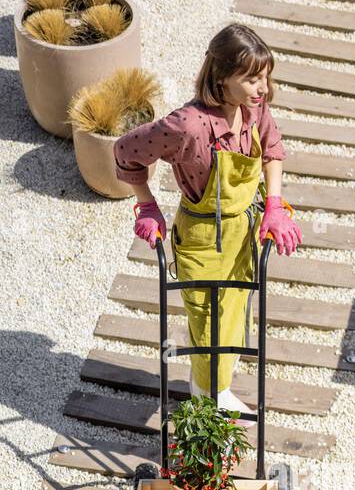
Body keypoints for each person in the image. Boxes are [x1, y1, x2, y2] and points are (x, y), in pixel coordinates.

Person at [114, 23, 303, 417]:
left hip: (243, 233)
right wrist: (147, 205)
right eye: (251, 79)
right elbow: (126, 150)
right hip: (203, 239)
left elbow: (273, 149)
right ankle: (205, 402)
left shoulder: (254, 109)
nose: (262, 88)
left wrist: (274, 205)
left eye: (265, 78)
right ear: (221, 76)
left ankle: (216, 393)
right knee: (208, 329)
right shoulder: (189, 125)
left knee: (235, 319)